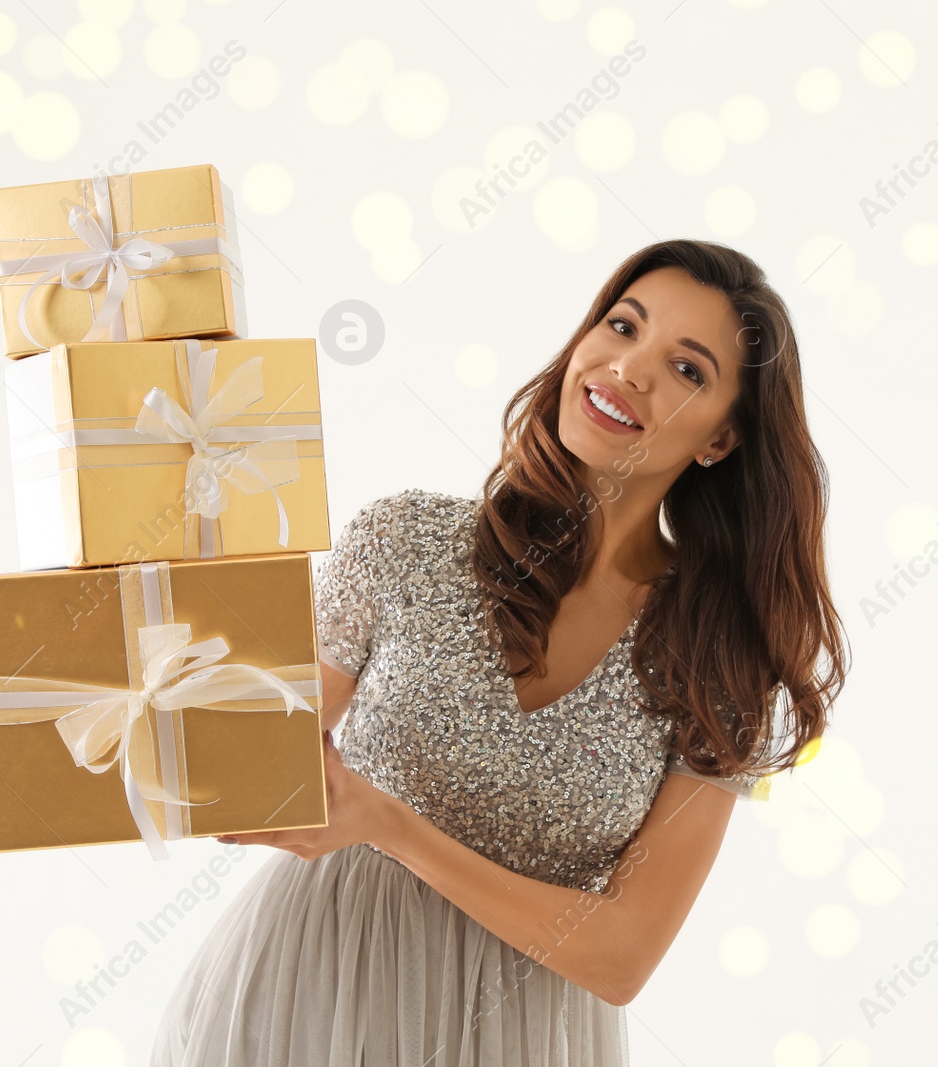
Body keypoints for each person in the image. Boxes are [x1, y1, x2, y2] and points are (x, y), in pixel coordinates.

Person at [148, 239, 848, 1066]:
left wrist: (388, 823)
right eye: (622, 326)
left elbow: (623, 956)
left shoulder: (719, 659)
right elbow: (247, 775)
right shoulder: (404, 540)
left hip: (511, 1039)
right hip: (305, 997)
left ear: (721, 441)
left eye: (687, 369)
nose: (628, 368)